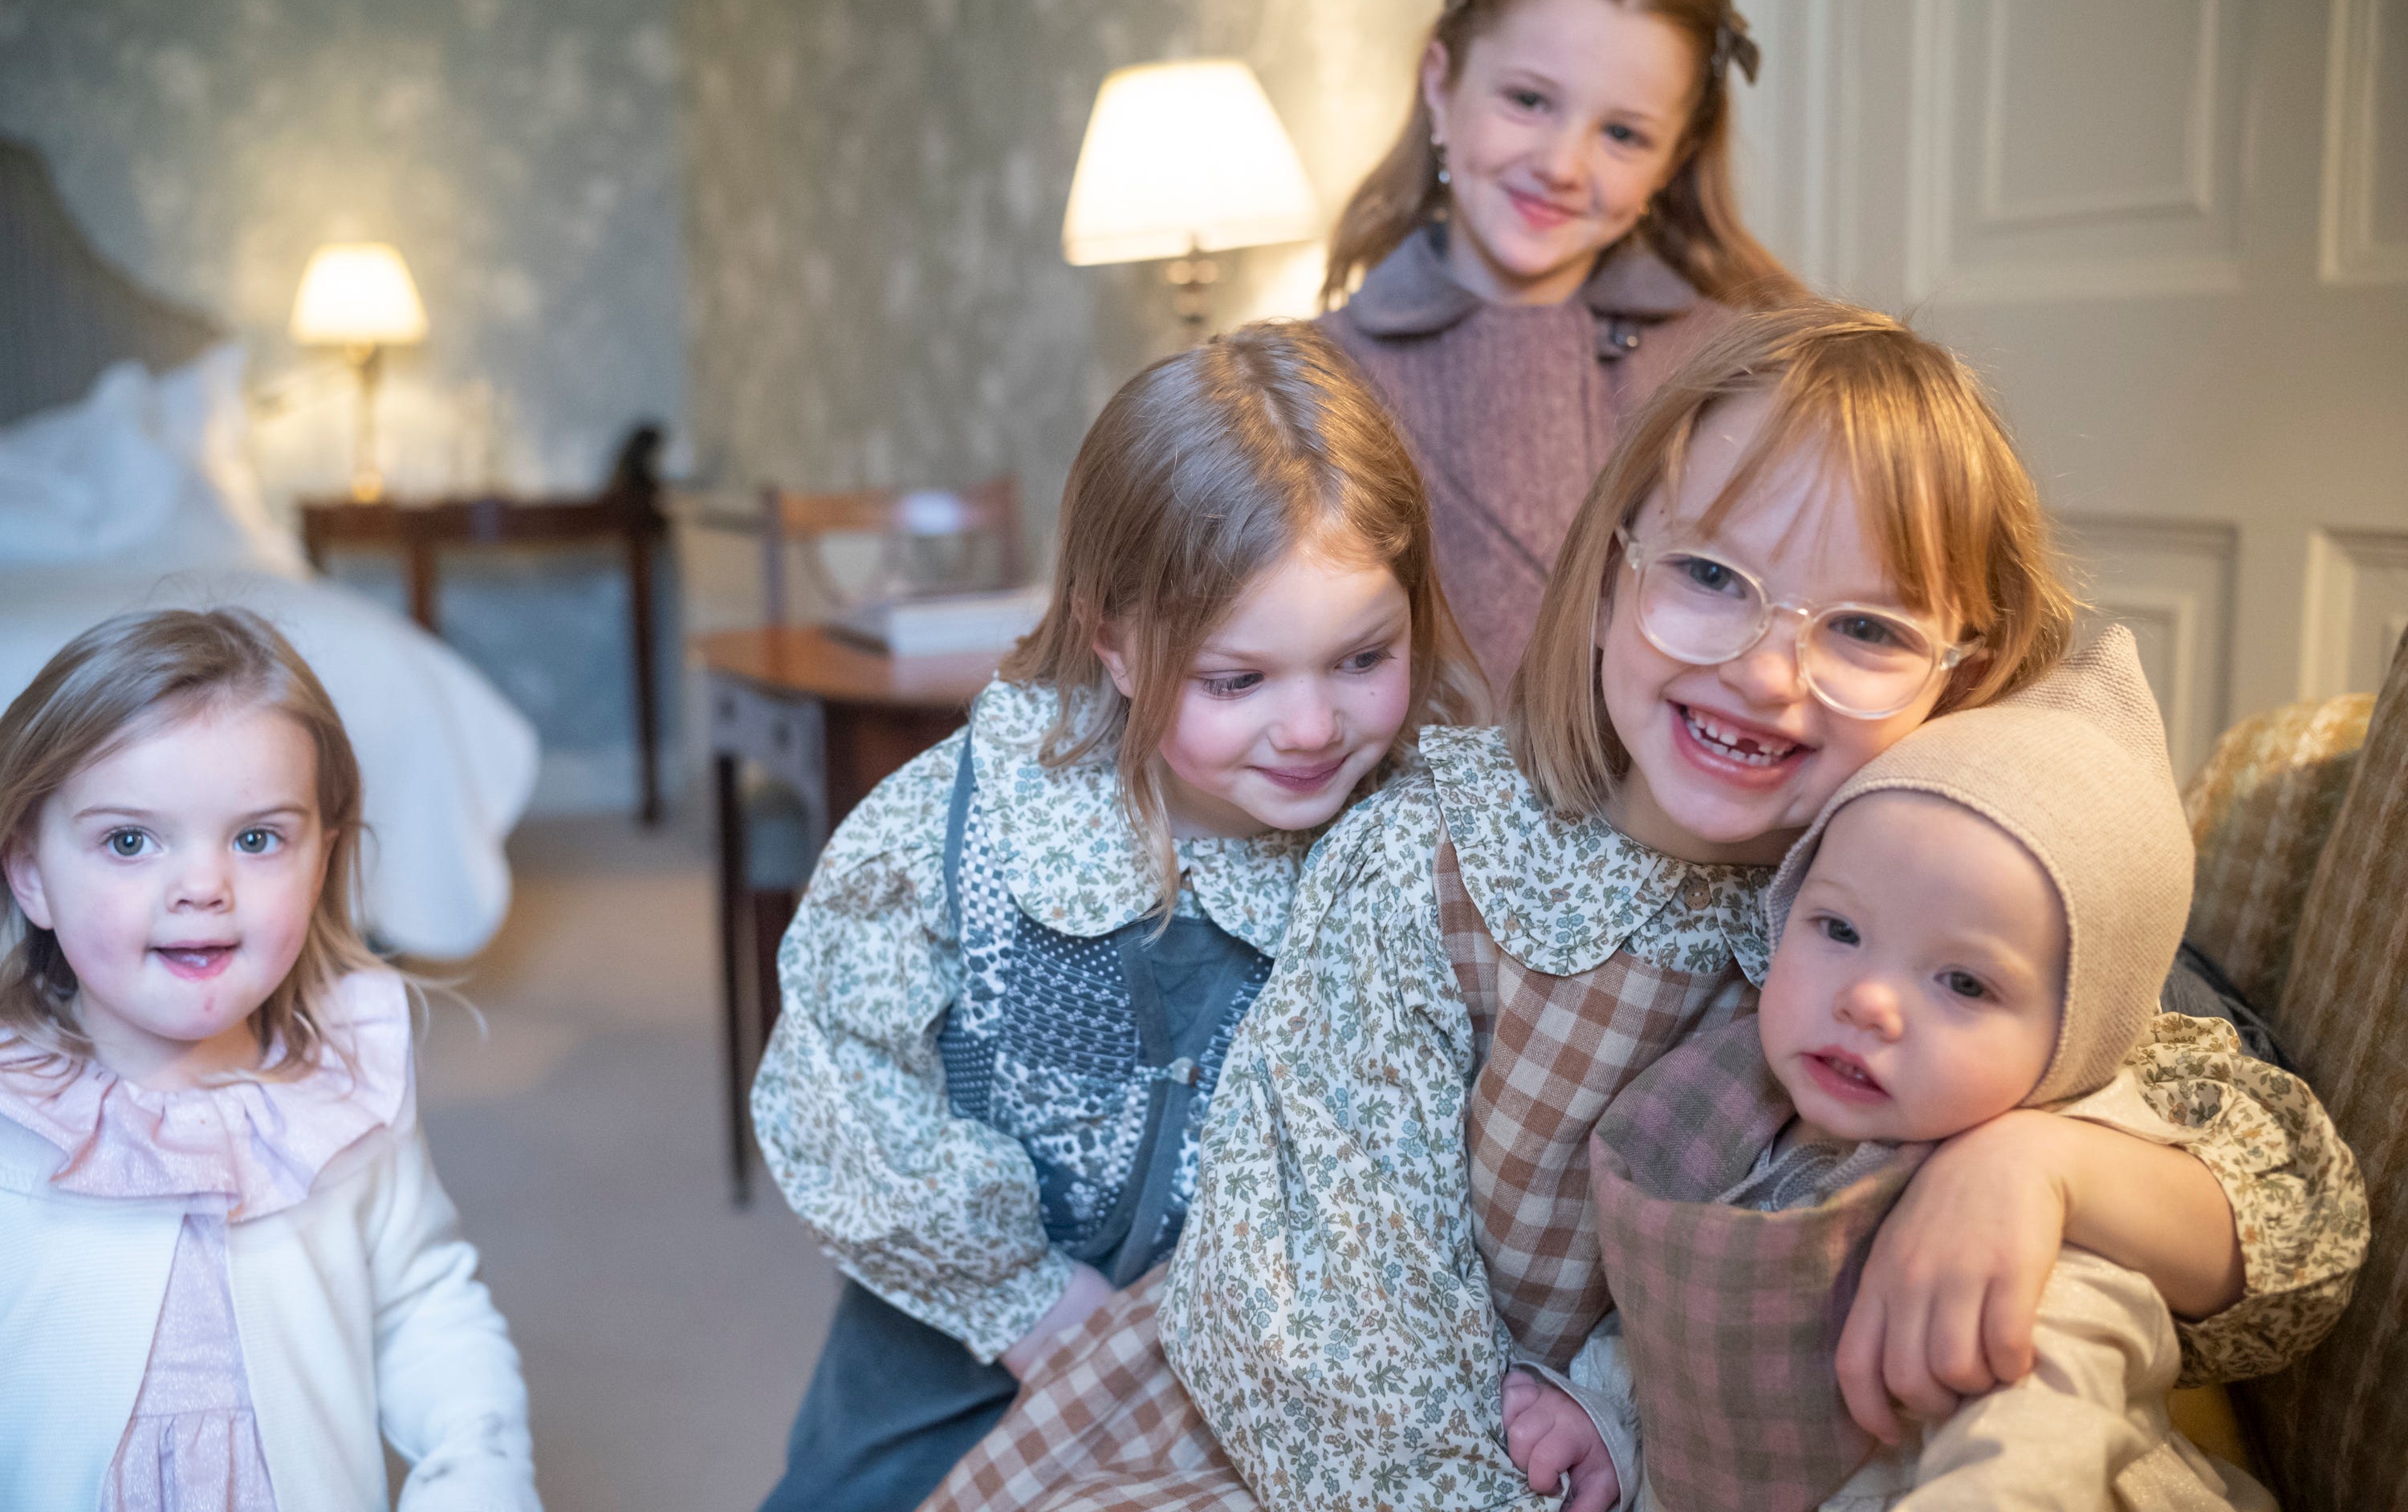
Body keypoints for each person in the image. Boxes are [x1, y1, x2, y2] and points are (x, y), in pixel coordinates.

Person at [921, 304, 2360, 1512]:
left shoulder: (1955, 896)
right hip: (1365, 1452)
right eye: (1711, 579)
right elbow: (1328, 1307)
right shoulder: (1440, 856)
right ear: (1612, 579)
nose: (1765, 674)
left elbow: (2299, 1228)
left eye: (1867, 628)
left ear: (1964, 675)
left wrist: (2040, 1167)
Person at [747, 323, 1485, 1512]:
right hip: (955, 1332)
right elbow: (839, 1075)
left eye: (1363, 658)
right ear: (1115, 644)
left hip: (1233, 1365)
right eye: (1238, 679)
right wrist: (1022, 1298)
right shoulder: (969, 825)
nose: (1312, 728)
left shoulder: (1420, 836)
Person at [1503, 629, 2333, 1510]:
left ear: (2080, 1039)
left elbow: (2034, 1451)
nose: (1868, 999)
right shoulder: (1743, 1122)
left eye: (1964, 982)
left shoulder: (2029, 1242)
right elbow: (1699, 1331)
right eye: (1839, 929)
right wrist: (1610, 1415)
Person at [0, 608, 539, 1512]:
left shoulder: (345, 1088)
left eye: (257, 839)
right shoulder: (13, 1112)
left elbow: (422, 1302)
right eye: (129, 840)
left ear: (321, 861)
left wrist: (477, 1470)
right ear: (30, 875)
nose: (203, 887)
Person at [1319, 0, 1799, 689]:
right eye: (1529, 101)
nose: (1563, 166)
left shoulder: (1746, 373)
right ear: (1441, 83)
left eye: (1624, 135)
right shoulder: (1316, 377)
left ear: (1673, 160)